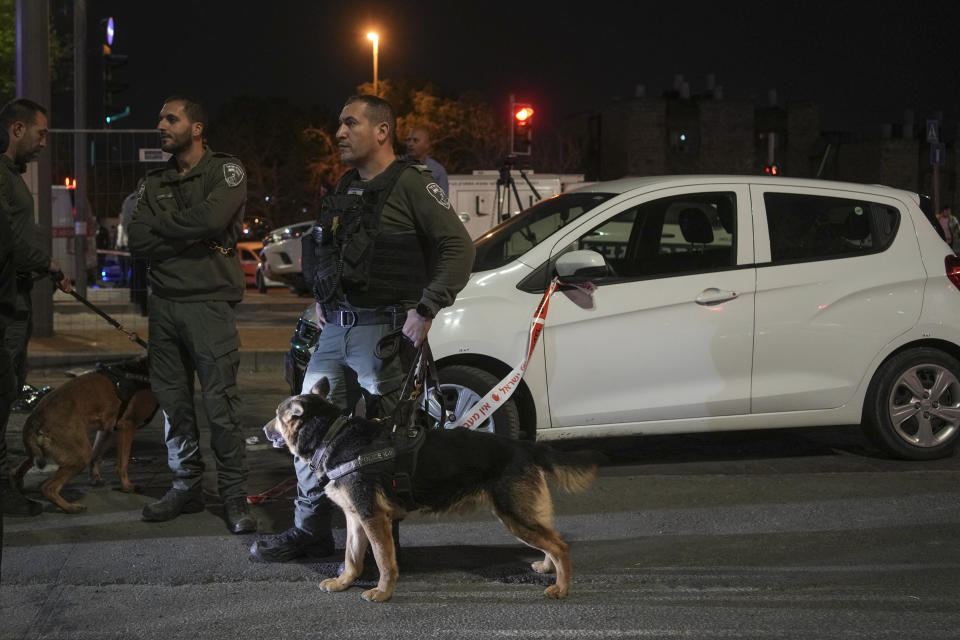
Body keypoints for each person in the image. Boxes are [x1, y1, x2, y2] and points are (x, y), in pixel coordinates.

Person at [249, 95, 474, 562]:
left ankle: (385, 547)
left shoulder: (413, 183)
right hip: (337, 328)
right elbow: (326, 250)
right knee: (305, 431)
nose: (339, 133)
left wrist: (427, 307)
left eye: (350, 123)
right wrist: (321, 298)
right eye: (338, 124)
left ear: (382, 131)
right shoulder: (345, 187)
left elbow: (459, 247)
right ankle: (310, 529)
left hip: (386, 333)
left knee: (387, 441)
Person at [127, 95, 255, 534]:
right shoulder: (153, 181)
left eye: (170, 118)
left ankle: (235, 495)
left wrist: (170, 228)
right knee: (174, 405)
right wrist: (188, 234)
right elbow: (138, 240)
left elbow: (211, 219)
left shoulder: (225, 170)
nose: (160, 124)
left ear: (196, 128)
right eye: (159, 117)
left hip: (209, 305)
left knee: (221, 407)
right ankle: (186, 485)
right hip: (163, 308)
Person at [0, 98, 72, 442]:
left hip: (18, 296)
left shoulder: (11, 176)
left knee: (11, 381)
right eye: (40, 134)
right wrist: (48, 263)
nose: (44, 143)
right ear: (17, 129)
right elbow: (10, 240)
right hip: (8, 298)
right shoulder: (2, 175)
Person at [405, 126, 449, 195]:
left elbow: (443, 201)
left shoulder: (438, 171)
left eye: (415, 140)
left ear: (427, 144)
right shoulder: (397, 166)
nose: (410, 144)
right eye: (408, 140)